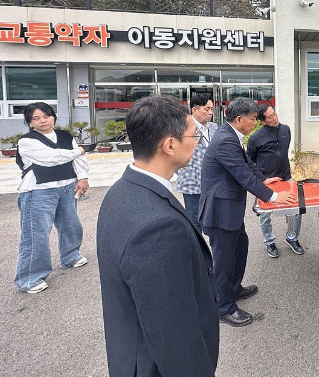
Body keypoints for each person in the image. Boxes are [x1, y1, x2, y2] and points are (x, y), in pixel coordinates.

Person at [97, 95, 219, 377]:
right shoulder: (159, 229)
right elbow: (174, 336)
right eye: (193, 135)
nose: (197, 142)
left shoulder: (121, 190)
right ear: (170, 145)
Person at [200, 98, 295, 327]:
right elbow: (243, 175)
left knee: (240, 247)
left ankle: (234, 289)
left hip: (230, 210)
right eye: (253, 119)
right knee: (224, 261)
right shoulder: (225, 140)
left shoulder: (231, 135)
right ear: (239, 119)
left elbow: (248, 166)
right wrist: (273, 196)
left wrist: (264, 180)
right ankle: (224, 307)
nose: (255, 123)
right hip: (220, 212)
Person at [13, 102, 89, 294]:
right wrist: (78, 150)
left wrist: (82, 177)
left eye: (46, 116)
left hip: (67, 187)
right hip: (38, 191)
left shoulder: (65, 135)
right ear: (29, 122)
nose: (42, 121)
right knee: (36, 234)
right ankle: (29, 278)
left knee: (71, 225)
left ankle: (70, 256)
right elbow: (51, 157)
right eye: (36, 118)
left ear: (53, 116)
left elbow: (78, 160)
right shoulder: (26, 141)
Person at [247, 104, 304, 258]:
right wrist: (263, 179)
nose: (275, 118)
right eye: (270, 116)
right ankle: (269, 242)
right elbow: (250, 161)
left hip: (286, 177)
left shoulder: (285, 130)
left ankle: (292, 238)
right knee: (265, 214)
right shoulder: (255, 138)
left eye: (274, 113)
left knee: (296, 208)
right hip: (266, 181)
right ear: (263, 121)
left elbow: (283, 152)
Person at [176, 93, 218, 230]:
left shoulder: (214, 127)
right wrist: (185, 172)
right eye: (206, 109)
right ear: (194, 110)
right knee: (195, 221)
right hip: (192, 183)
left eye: (212, 109)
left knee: (213, 219)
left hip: (212, 183)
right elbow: (175, 156)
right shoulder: (183, 128)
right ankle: (197, 244)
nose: (210, 112)